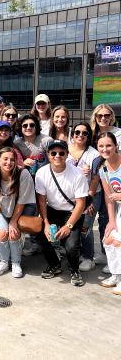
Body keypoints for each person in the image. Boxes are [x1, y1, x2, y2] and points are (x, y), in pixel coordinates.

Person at [36, 139, 88, 287]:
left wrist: (68, 226)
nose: (57, 155)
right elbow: (41, 201)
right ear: (49, 155)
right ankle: (54, 265)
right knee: (42, 239)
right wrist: (45, 223)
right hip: (52, 210)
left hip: (72, 212)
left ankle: (74, 270)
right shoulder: (42, 173)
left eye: (61, 153)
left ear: (67, 155)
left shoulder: (77, 174)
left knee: (71, 246)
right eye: (53, 153)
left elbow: (81, 204)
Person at [0, 147, 37, 278]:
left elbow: (22, 201)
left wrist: (13, 222)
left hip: (23, 206)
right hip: (3, 208)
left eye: (12, 160)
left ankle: (16, 262)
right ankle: (3, 261)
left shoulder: (22, 174)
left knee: (14, 233)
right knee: (2, 234)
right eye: (5, 159)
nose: (9, 162)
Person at [14, 114, 51, 257]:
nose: (28, 128)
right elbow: (14, 161)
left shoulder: (46, 140)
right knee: (31, 215)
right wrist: (23, 161)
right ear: (20, 128)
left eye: (31, 125)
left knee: (47, 213)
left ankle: (54, 244)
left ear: (37, 126)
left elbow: (56, 159)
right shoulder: (17, 144)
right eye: (25, 125)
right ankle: (34, 244)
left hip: (45, 183)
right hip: (26, 184)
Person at [66, 122, 100, 272]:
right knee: (72, 225)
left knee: (85, 227)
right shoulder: (64, 149)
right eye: (77, 132)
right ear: (72, 133)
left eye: (84, 133)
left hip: (89, 194)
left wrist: (88, 199)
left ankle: (88, 257)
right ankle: (77, 253)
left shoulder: (94, 154)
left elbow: (95, 179)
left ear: (88, 136)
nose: (80, 135)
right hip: (69, 196)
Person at [97, 132, 121, 294]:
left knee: (119, 242)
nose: (105, 149)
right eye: (101, 146)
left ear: (116, 146)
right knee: (109, 239)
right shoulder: (103, 168)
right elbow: (108, 196)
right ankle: (116, 274)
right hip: (119, 209)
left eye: (108, 145)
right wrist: (111, 221)